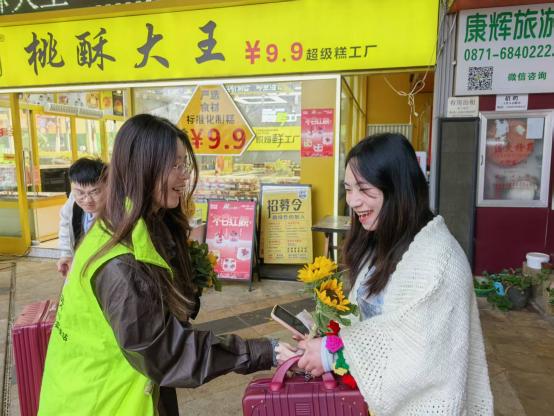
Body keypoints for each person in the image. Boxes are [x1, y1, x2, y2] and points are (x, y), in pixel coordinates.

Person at [39, 114, 275, 415]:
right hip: (102, 402)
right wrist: (265, 351)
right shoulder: (120, 263)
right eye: (175, 165)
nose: (184, 176)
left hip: (120, 389)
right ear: (144, 168)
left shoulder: (136, 223)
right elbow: (165, 354)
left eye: (184, 164)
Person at [295, 133, 493, 415]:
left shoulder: (440, 261)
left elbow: (419, 355)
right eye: (348, 189)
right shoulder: (381, 240)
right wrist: (323, 338)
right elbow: (369, 322)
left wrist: (332, 353)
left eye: (364, 189)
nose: (353, 201)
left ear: (398, 188)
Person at [56, 157, 107, 277]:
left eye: (94, 192)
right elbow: (65, 225)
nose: (87, 200)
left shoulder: (119, 212)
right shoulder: (72, 203)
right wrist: (66, 255)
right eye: (80, 192)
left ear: (108, 185)